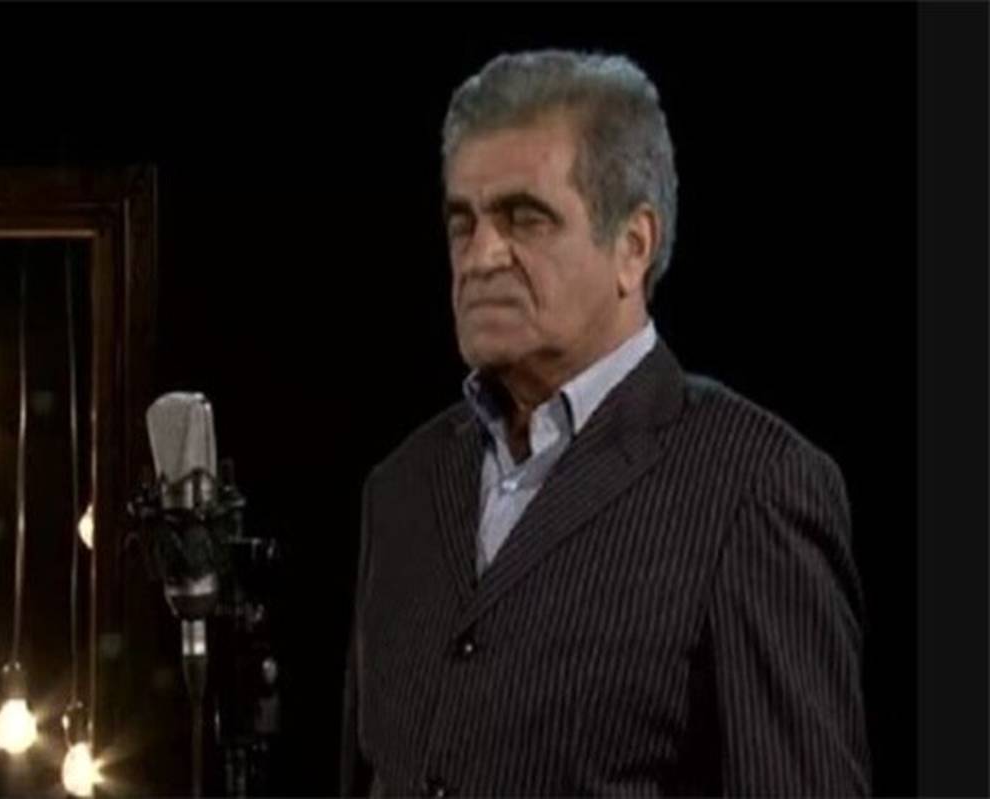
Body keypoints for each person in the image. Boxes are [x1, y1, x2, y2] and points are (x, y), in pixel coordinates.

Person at [340, 49, 870, 797]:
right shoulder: (400, 487)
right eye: (463, 223)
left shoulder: (754, 484)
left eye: (525, 218)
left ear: (633, 246)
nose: (481, 256)